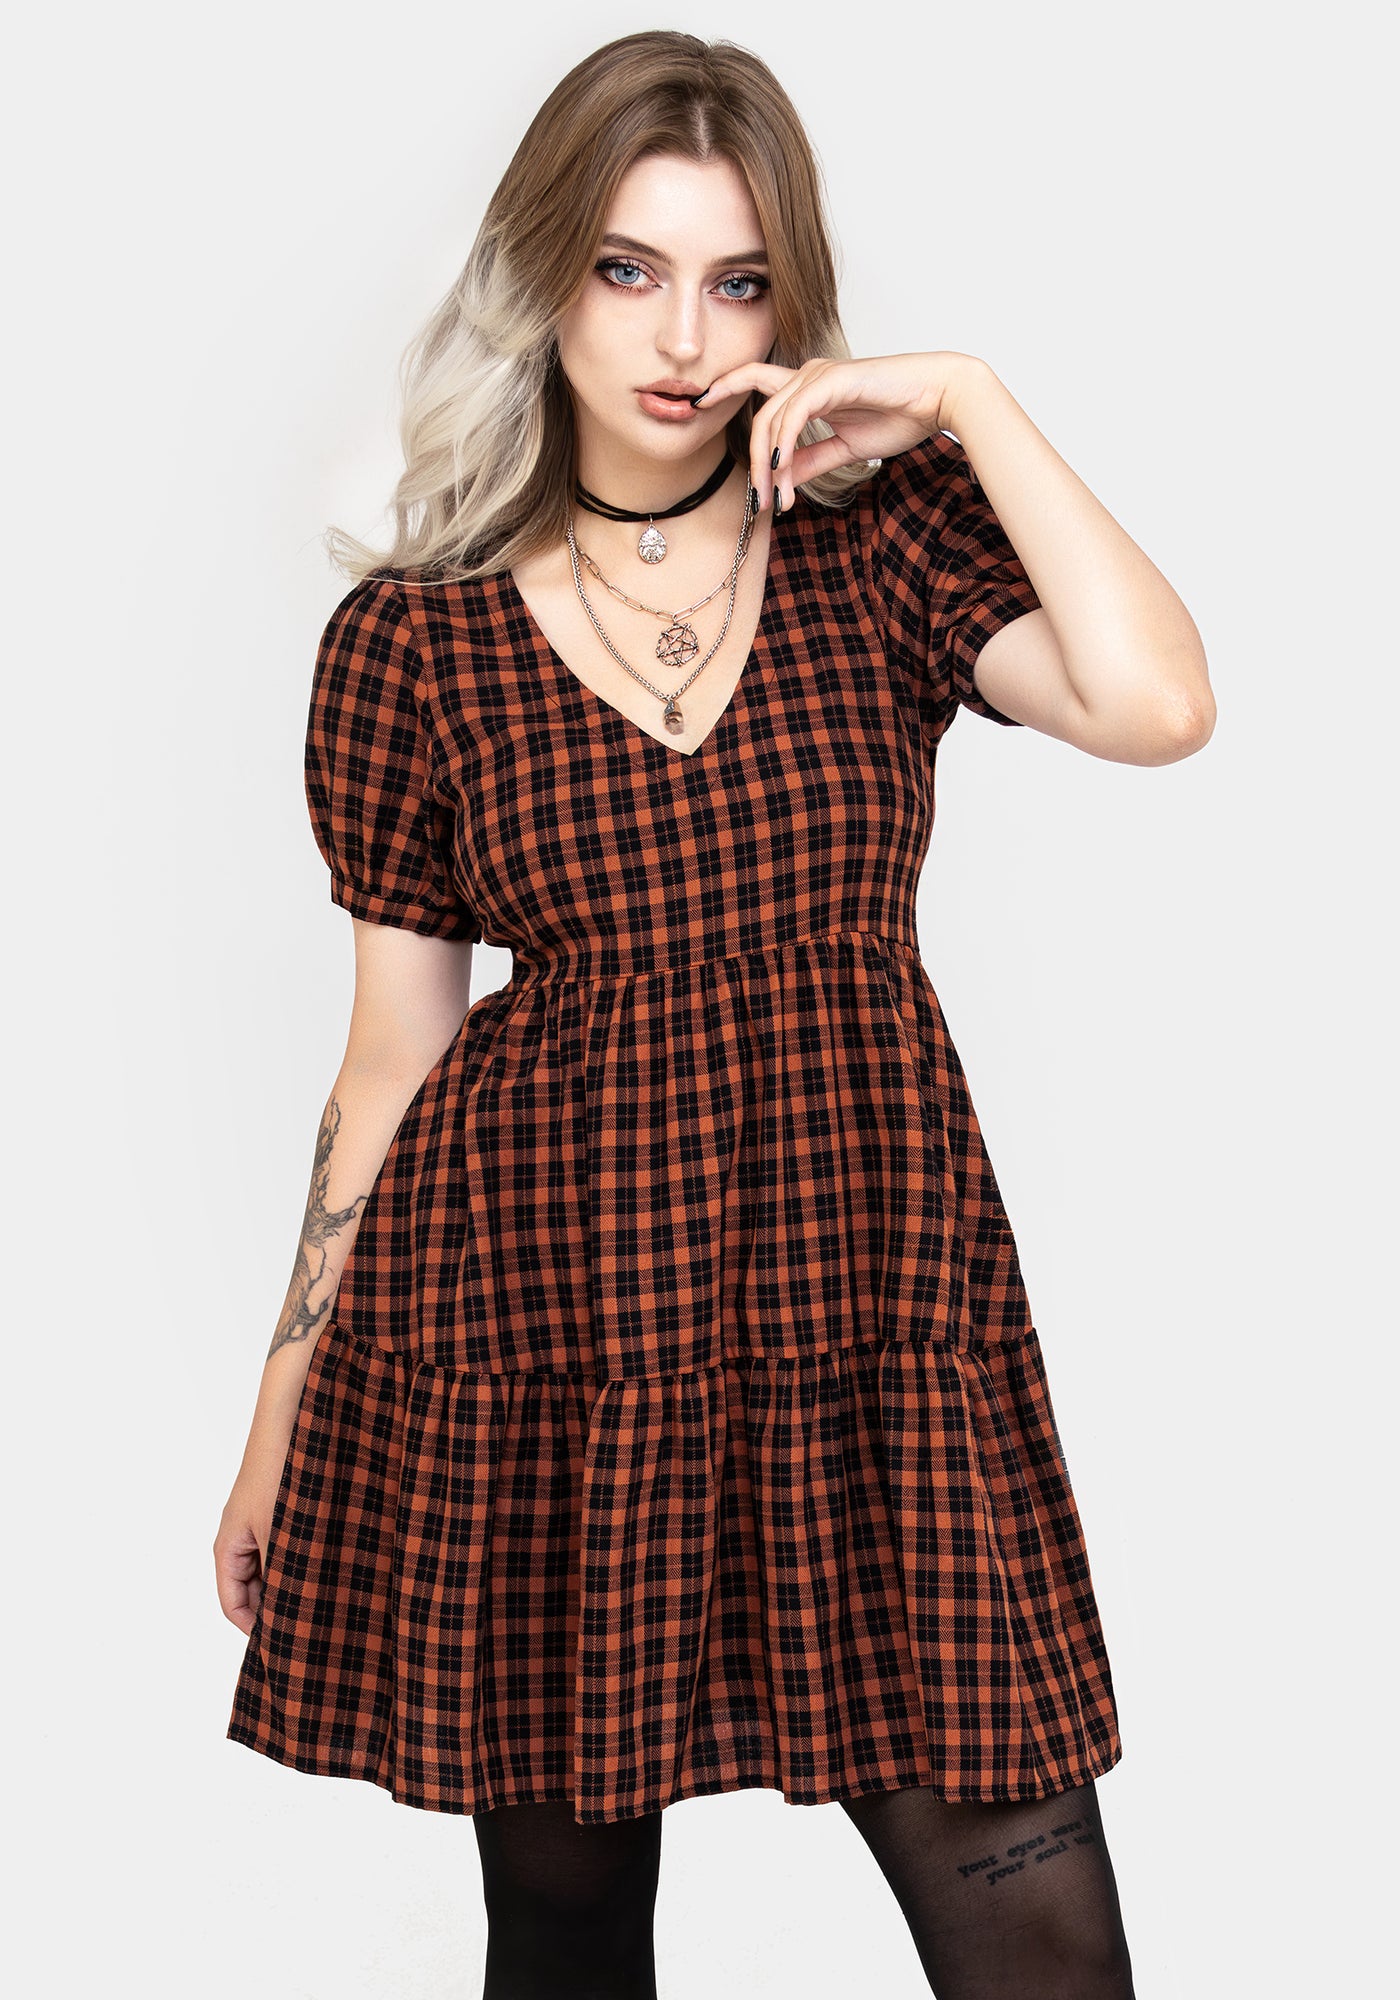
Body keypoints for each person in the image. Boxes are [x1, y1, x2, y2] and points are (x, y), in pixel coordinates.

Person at [215, 29, 1212, 2000]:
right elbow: (392, 1057)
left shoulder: (883, 546)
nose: (683, 335)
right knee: (568, 1931)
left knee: (1040, 1936)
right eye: (628, 268)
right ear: (541, 273)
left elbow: (1158, 703)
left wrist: (965, 396)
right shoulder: (412, 639)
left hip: (870, 1311)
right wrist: (278, 1426)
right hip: (552, 1329)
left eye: (737, 281)